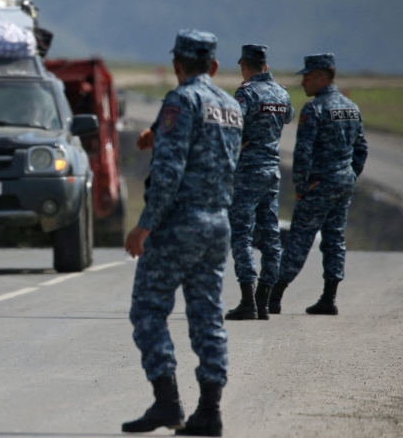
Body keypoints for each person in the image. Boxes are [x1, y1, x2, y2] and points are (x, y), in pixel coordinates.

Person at [122, 29, 241, 437]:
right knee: (208, 316)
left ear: (176, 64)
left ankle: (167, 402)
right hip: (217, 223)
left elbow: (170, 174)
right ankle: (210, 411)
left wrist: (144, 225)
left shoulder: (180, 100)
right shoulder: (230, 106)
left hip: (179, 224)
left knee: (148, 309)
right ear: (214, 66)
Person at [269, 54, 368, 316]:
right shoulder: (351, 108)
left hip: (319, 185)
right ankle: (329, 297)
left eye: (308, 76)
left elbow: (302, 154)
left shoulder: (315, 109)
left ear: (322, 77)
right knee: (335, 238)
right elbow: (361, 149)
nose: (303, 82)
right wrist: (349, 175)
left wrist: (301, 187)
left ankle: (274, 295)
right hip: (342, 184)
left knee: (299, 239)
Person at [224, 45, 294, 321]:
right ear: (265, 66)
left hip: (248, 172)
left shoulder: (247, 93)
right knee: (270, 236)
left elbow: (231, 126)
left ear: (244, 66)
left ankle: (247, 301)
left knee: (241, 234)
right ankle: (263, 301)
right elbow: (287, 116)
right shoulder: (281, 93)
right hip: (271, 171)